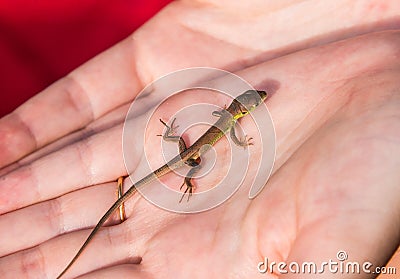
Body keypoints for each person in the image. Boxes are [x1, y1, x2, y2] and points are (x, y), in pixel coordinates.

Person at [0, 1, 399, 278]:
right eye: (256, 100)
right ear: (244, 110)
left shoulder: (228, 114)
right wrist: (199, 168)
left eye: (256, 99)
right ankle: (185, 178)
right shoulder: (233, 123)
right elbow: (238, 139)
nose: (259, 100)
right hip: (179, 151)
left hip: (177, 140)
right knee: (182, 167)